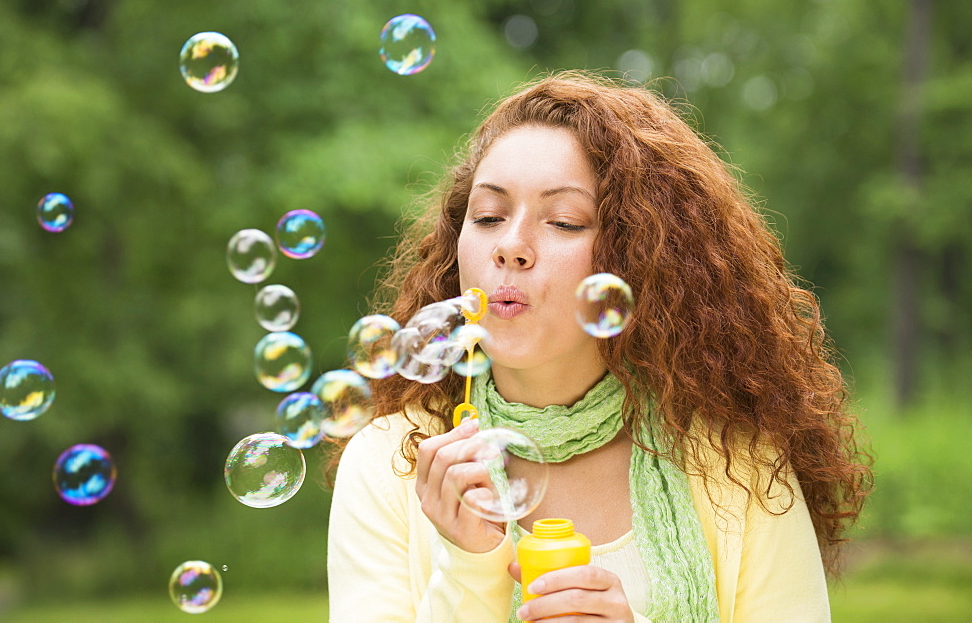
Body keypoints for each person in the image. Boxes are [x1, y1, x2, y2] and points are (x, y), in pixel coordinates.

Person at [326, 72, 872, 622]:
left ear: (638, 254)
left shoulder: (738, 464)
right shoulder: (387, 462)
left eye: (563, 222)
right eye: (488, 216)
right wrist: (471, 565)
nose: (511, 246)